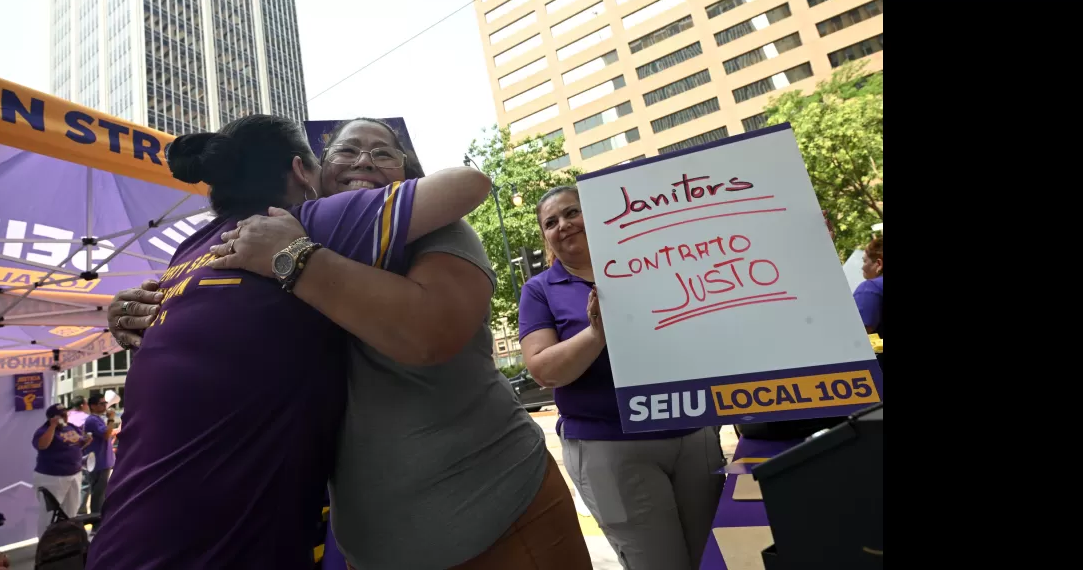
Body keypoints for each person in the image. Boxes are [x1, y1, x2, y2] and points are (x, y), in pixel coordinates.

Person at [110, 118, 590, 569]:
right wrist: (143, 316)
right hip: (368, 543)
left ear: (406, 175)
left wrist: (295, 257)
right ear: (312, 172)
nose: (364, 160)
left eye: (384, 152)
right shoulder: (279, 235)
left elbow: (429, 335)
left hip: (494, 514)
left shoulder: (433, 229)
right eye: (347, 150)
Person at [518, 186, 724, 570]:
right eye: (551, 222)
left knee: (714, 558)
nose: (563, 225)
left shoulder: (657, 262)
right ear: (545, 236)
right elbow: (544, 370)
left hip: (695, 433)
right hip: (611, 447)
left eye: (571, 213)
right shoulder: (539, 291)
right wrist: (597, 334)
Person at [33, 403, 93, 535]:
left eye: (66, 414)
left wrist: (86, 441)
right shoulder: (44, 431)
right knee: (49, 513)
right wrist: (53, 426)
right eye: (61, 415)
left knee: (71, 510)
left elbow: (77, 445)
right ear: (52, 417)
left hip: (74, 474)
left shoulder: (71, 427)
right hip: (52, 477)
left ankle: (67, 540)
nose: (65, 417)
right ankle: (45, 544)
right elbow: (42, 445)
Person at [80, 394, 116, 524]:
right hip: (98, 463)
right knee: (98, 495)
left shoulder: (96, 419)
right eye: (101, 403)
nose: (105, 406)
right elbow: (106, 434)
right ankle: (97, 524)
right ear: (93, 406)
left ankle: (96, 521)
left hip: (101, 462)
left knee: (99, 493)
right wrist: (111, 420)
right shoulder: (93, 420)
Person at [854, 235, 883, 337]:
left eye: (865, 261)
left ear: (879, 264)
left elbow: (854, 335)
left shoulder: (870, 288)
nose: (862, 267)